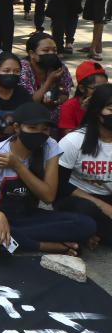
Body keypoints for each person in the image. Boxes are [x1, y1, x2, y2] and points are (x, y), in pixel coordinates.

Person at [0, 102, 96, 256]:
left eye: (45, 129)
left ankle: (14, 240)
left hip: (27, 215)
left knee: (87, 224)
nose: (39, 134)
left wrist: (18, 166)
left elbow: (48, 196)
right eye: (32, 128)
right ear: (17, 127)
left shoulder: (50, 146)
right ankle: (47, 246)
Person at [55, 83, 112, 245]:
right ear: (97, 111)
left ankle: (93, 233)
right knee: (86, 212)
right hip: (78, 199)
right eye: (111, 109)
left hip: (108, 197)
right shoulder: (73, 141)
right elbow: (60, 186)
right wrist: (103, 206)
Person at [19, 32, 74, 134]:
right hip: (29, 115)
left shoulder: (60, 66)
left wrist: (57, 101)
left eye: (54, 50)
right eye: (46, 50)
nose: (51, 53)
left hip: (53, 114)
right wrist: (49, 80)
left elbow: (65, 93)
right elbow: (31, 101)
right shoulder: (23, 69)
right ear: (32, 54)